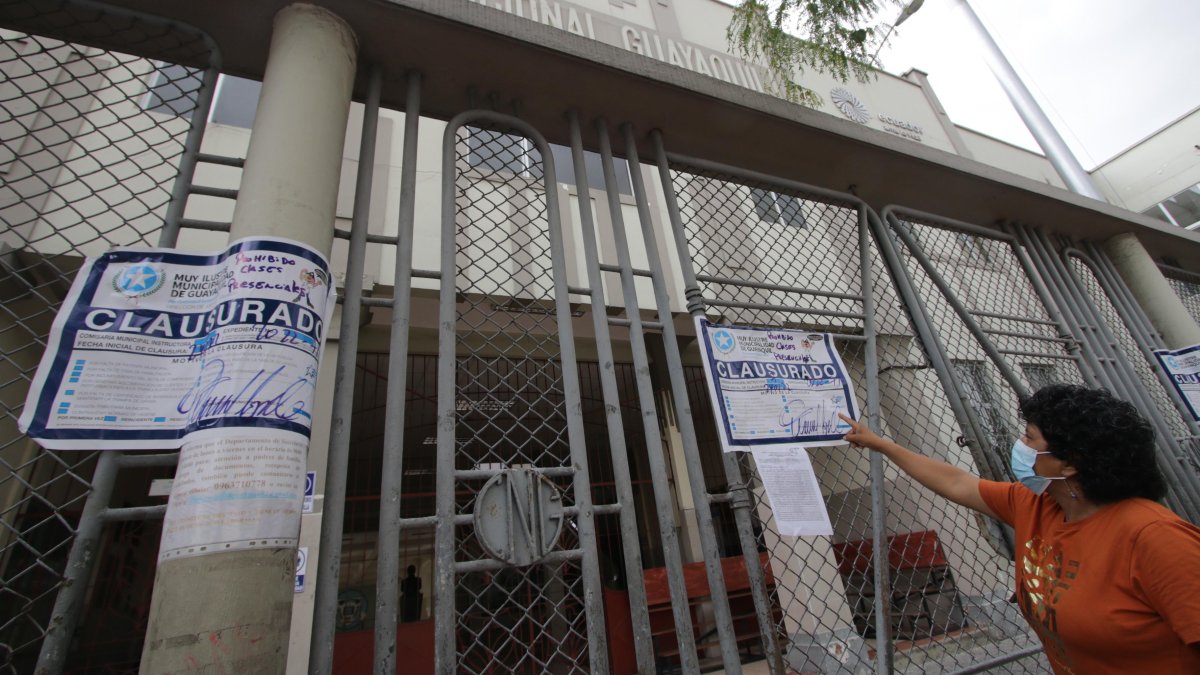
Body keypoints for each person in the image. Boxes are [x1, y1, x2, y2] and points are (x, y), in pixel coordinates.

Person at [839, 384, 1200, 674]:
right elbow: (958, 483)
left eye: (1029, 438)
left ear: (1070, 464)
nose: (1019, 446)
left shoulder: (1155, 537)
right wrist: (882, 444)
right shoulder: (1037, 505)